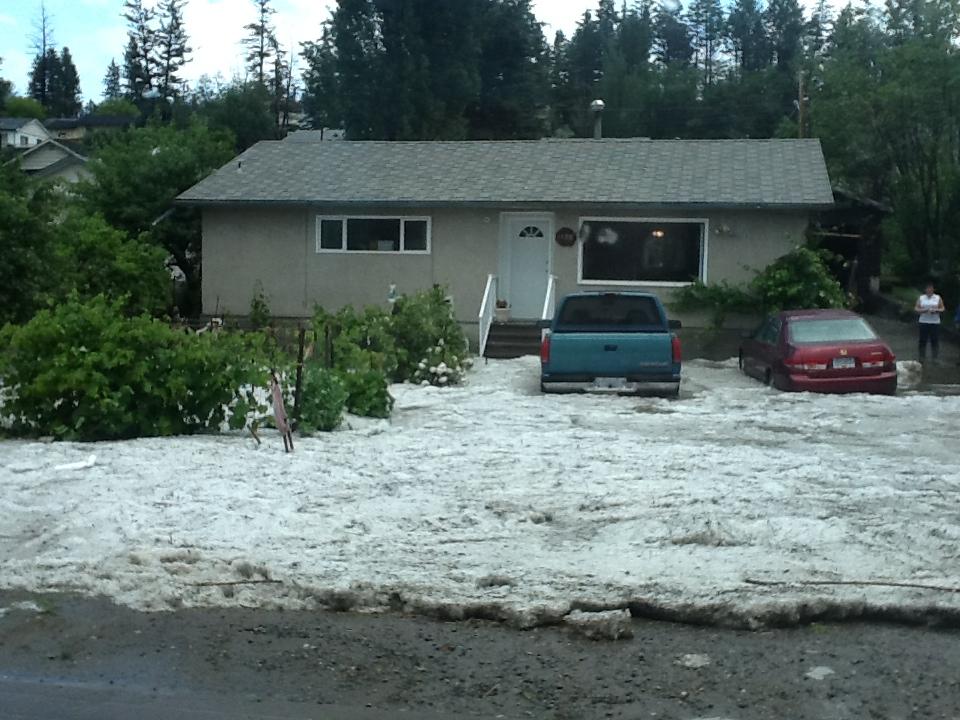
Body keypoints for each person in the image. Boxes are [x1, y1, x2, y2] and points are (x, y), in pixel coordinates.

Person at [915, 281, 945, 361]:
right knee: (922, 340)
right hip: (923, 322)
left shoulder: (937, 297)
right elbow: (916, 308)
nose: (929, 290)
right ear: (925, 289)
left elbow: (942, 308)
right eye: (928, 288)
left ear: (933, 289)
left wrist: (936, 310)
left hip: (935, 322)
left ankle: (935, 357)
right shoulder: (921, 297)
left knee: (934, 340)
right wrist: (923, 310)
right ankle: (921, 357)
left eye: (931, 288)